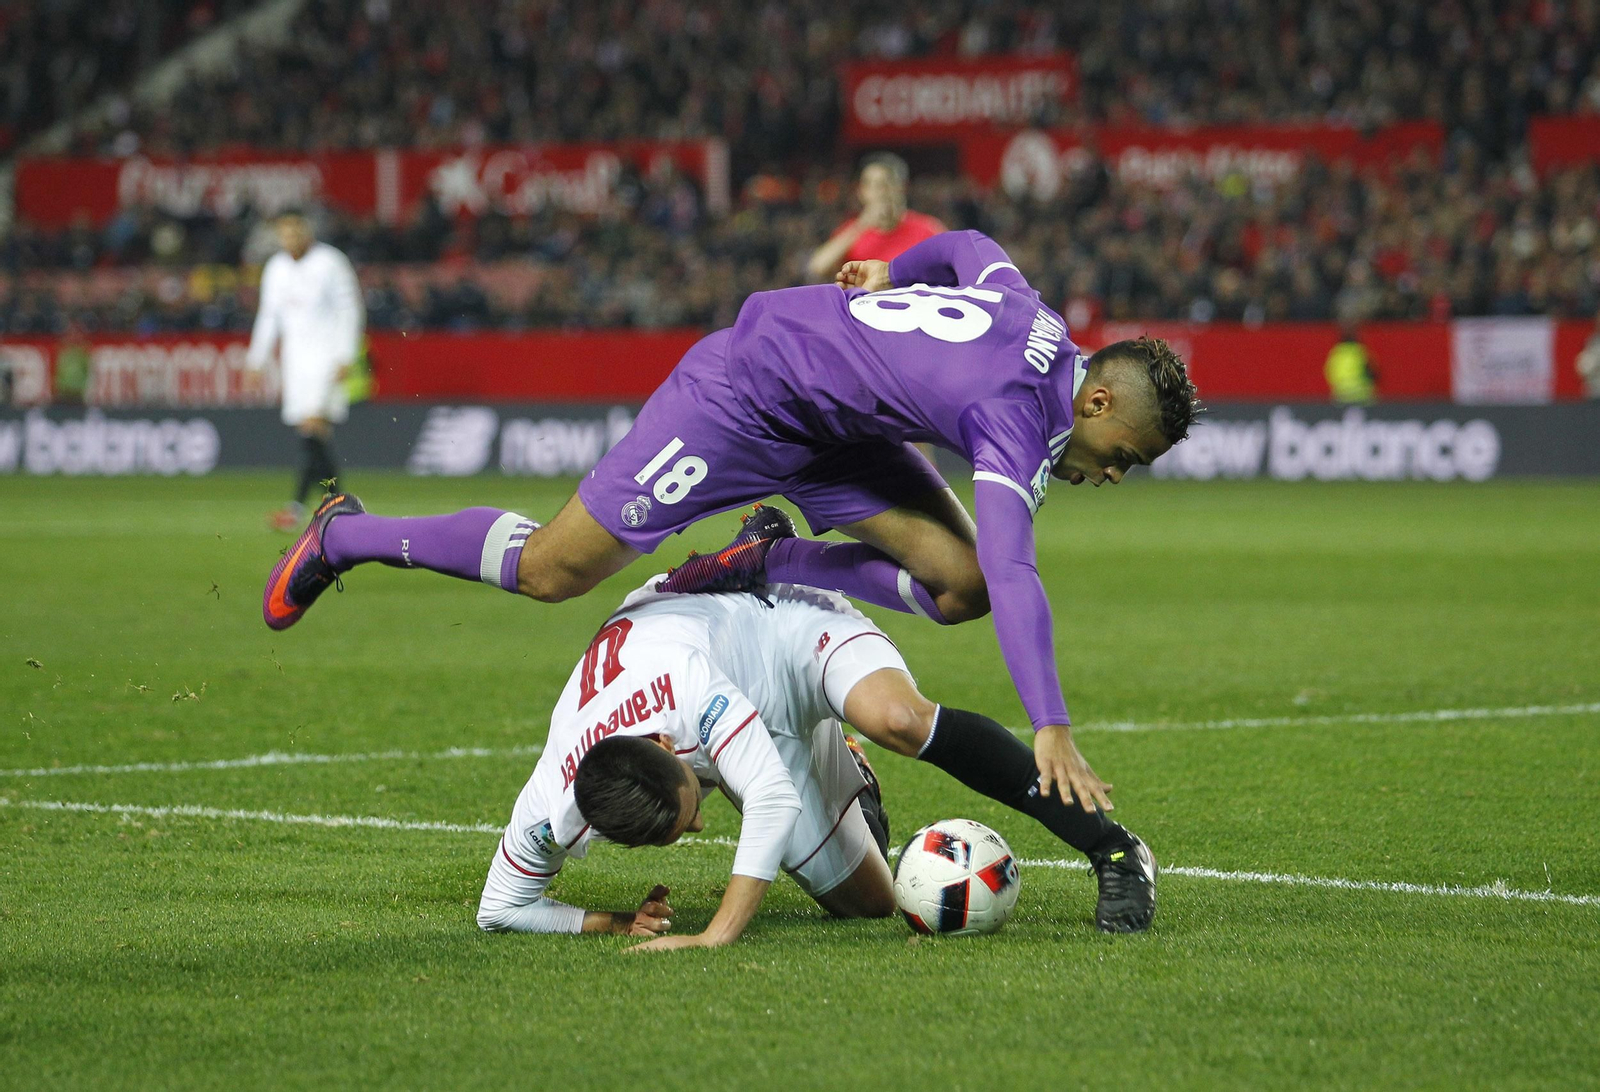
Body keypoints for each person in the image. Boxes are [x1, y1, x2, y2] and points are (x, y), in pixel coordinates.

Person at [263, 229, 1200, 821]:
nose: (1116, 474)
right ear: (1100, 399)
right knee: (554, 570)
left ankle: (771, 554)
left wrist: (892, 269)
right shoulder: (1014, 413)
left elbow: (965, 243)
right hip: (746, 400)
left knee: (959, 591)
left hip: (837, 431)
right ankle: (345, 535)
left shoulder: (1031, 316)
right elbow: (1020, 569)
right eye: (1128, 452)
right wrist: (1051, 726)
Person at [476, 569, 1156, 946]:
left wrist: (716, 935)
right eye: (683, 832)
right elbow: (500, 910)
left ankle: (1114, 849)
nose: (702, 827)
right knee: (870, 904)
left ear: (663, 745)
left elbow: (768, 800)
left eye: (690, 811)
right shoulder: (552, 802)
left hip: (782, 629)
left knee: (896, 717)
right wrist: (612, 921)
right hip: (742, 728)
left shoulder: (681, 683)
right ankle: (850, 782)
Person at [246, 208, 364, 532]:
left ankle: (299, 507)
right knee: (313, 435)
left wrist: (346, 355)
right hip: (295, 362)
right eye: (284, 232)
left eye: (295, 230)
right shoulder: (276, 268)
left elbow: (350, 309)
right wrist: (257, 358)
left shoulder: (330, 262)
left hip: (327, 359)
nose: (290, 238)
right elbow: (269, 316)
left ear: (307, 230)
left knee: (313, 428)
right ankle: (341, 508)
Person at [804, 153, 946, 283]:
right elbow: (818, 268)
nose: (879, 191)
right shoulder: (850, 232)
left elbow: (950, 268)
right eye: (870, 185)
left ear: (902, 187)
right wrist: (862, 225)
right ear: (861, 192)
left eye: (885, 183)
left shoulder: (928, 228)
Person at [1325, 319, 1378, 403]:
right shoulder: (1359, 351)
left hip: (1341, 394)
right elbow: (1372, 372)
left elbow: (1329, 372)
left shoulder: (1336, 353)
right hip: (1361, 394)